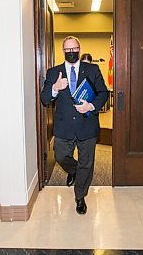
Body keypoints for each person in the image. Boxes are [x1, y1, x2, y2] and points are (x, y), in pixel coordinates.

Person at [40, 36, 109, 214]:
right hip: (64, 127)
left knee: (87, 163)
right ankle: (74, 171)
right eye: (67, 49)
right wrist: (55, 88)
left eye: (74, 49)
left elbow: (103, 93)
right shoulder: (54, 72)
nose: (71, 52)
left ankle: (80, 197)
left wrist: (91, 106)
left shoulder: (92, 69)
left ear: (79, 49)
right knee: (61, 156)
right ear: (63, 51)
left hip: (87, 125)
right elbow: (45, 99)